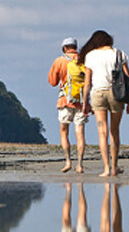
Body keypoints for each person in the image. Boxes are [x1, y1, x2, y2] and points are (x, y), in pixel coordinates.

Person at [79, 31, 129, 177]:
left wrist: (85, 102)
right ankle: (115, 167)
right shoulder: (119, 53)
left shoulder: (90, 56)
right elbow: (128, 78)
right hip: (117, 94)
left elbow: (87, 83)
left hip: (98, 93)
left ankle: (106, 169)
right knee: (114, 131)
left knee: (102, 132)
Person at [49, 37, 87, 173]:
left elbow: (52, 82)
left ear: (64, 48)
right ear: (76, 47)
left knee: (64, 132)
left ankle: (68, 162)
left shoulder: (59, 61)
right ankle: (80, 165)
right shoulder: (84, 60)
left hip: (65, 100)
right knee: (80, 134)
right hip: (81, 101)